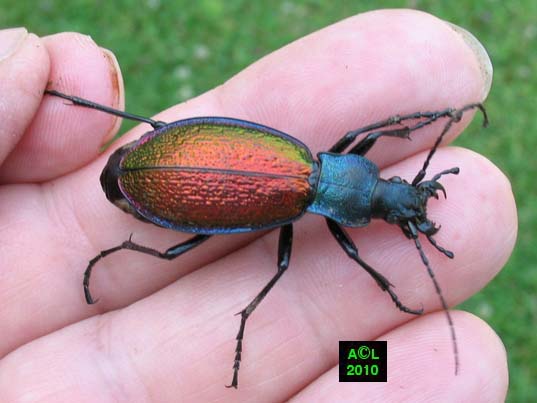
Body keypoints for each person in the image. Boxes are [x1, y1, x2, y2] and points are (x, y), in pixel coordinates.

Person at [0, 9, 514, 402]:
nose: (396, 200)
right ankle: (90, 134)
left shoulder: (311, 153)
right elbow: (361, 185)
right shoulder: (307, 192)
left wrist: (415, 124)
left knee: (170, 187)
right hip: (154, 173)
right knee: (197, 247)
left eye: (391, 210)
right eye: (391, 202)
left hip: (166, 165)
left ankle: (79, 108)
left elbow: (369, 133)